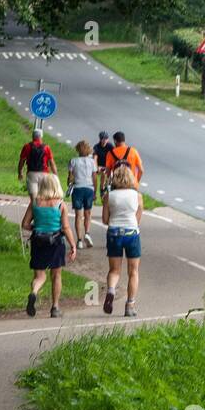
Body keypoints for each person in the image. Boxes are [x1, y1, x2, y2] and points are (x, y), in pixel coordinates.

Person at [21, 172, 76, 318]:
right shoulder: (60, 205)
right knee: (56, 275)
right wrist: (73, 245)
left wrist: (37, 227)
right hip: (56, 242)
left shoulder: (35, 203)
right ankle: (55, 307)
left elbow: (25, 224)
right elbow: (65, 227)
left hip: (38, 241)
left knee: (39, 276)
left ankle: (34, 292)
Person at [102, 163, 142, 317]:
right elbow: (138, 218)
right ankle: (130, 305)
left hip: (114, 233)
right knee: (133, 271)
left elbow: (105, 219)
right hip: (131, 233)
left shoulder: (109, 196)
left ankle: (111, 290)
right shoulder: (137, 196)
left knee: (114, 270)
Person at [67, 140, 97, 248]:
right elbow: (94, 177)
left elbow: (70, 177)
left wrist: (69, 185)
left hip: (78, 189)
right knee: (88, 213)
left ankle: (79, 240)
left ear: (78, 149)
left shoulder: (73, 161)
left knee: (78, 215)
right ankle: (87, 233)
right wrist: (95, 191)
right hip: (89, 189)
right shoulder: (92, 162)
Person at [17, 128, 56, 199]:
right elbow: (52, 163)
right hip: (44, 174)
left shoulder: (27, 146)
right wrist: (55, 175)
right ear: (41, 136)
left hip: (31, 174)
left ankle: (34, 208)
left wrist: (20, 173)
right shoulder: (46, 147)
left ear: (32, 136)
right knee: (43, 197)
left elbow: (21, 161)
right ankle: (41, 209)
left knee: (33, 199)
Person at [92, 130, 114, 200]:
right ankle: (94, 192)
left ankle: (102, 188)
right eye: (102, 139)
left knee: (105, 174)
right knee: (94, 175)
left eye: (106, 139)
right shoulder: (96, 147)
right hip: (99, 165)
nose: (104, 140)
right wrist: (96, 167)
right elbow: (95, 158)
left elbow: (114, 156)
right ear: (100, 139)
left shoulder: (110, 146)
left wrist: (110, 166)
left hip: (107, 165)